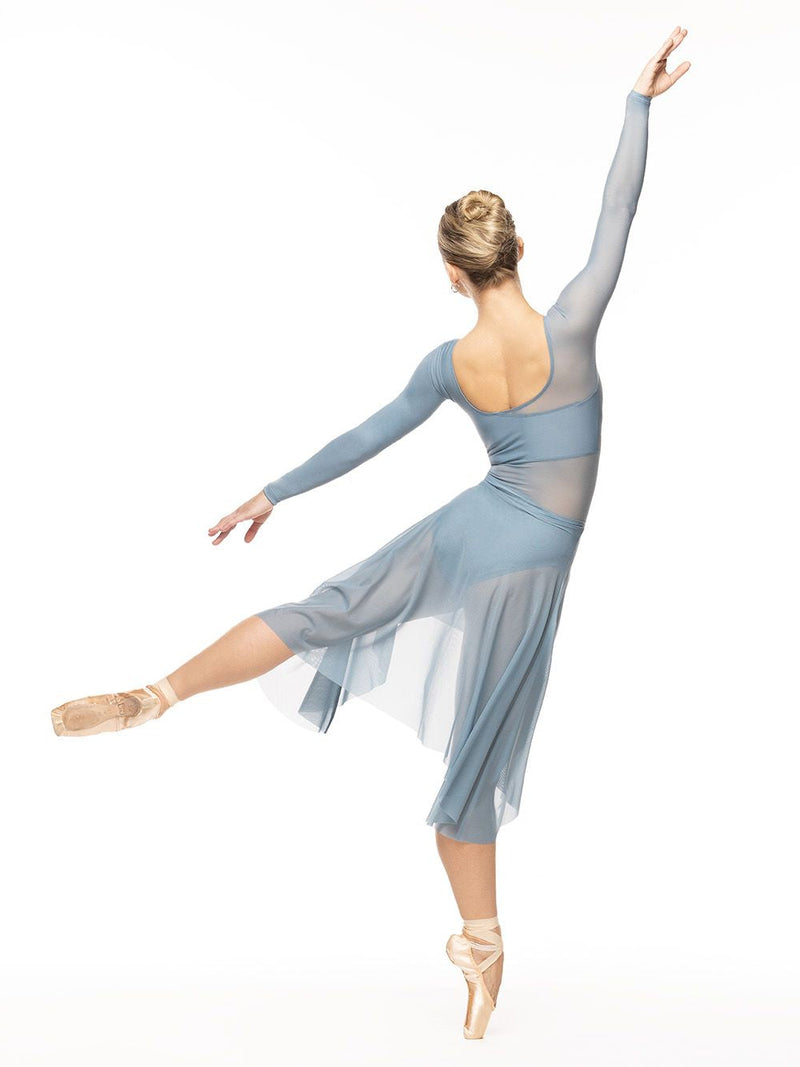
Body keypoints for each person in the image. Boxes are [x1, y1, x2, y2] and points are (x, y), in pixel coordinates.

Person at [50, 27, 690, 1040]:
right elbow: (619, 209)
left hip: (471, 527)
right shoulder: (572, 321)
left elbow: (367, 437)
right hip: (527, 563)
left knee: (325, 611)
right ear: (516, 253)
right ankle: (481, 949)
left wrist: (273, 491)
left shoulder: (449, 363)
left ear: (451, 274)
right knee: (472, 775)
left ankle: (156, 694)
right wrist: (637, 103)